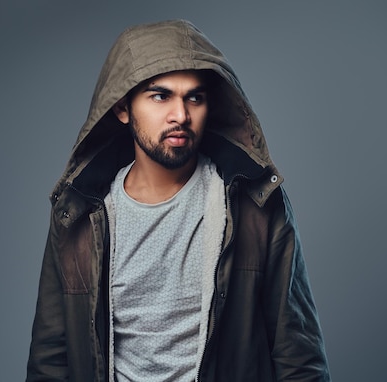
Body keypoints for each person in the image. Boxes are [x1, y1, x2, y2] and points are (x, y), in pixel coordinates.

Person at [26, 19, 330, 382]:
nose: (181, 115)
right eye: (161, 96)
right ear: (123, 108)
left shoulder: (256, 205)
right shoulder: (77, 215)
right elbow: (50, 360)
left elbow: (298, 356)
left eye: (194, 98)